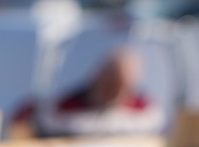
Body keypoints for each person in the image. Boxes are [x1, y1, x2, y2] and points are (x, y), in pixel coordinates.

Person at [36, 47, 166, 137]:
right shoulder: (65, 107)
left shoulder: (145, 109)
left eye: (123, 87)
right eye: (112, 84)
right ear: (98, 77)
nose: (116, 92)